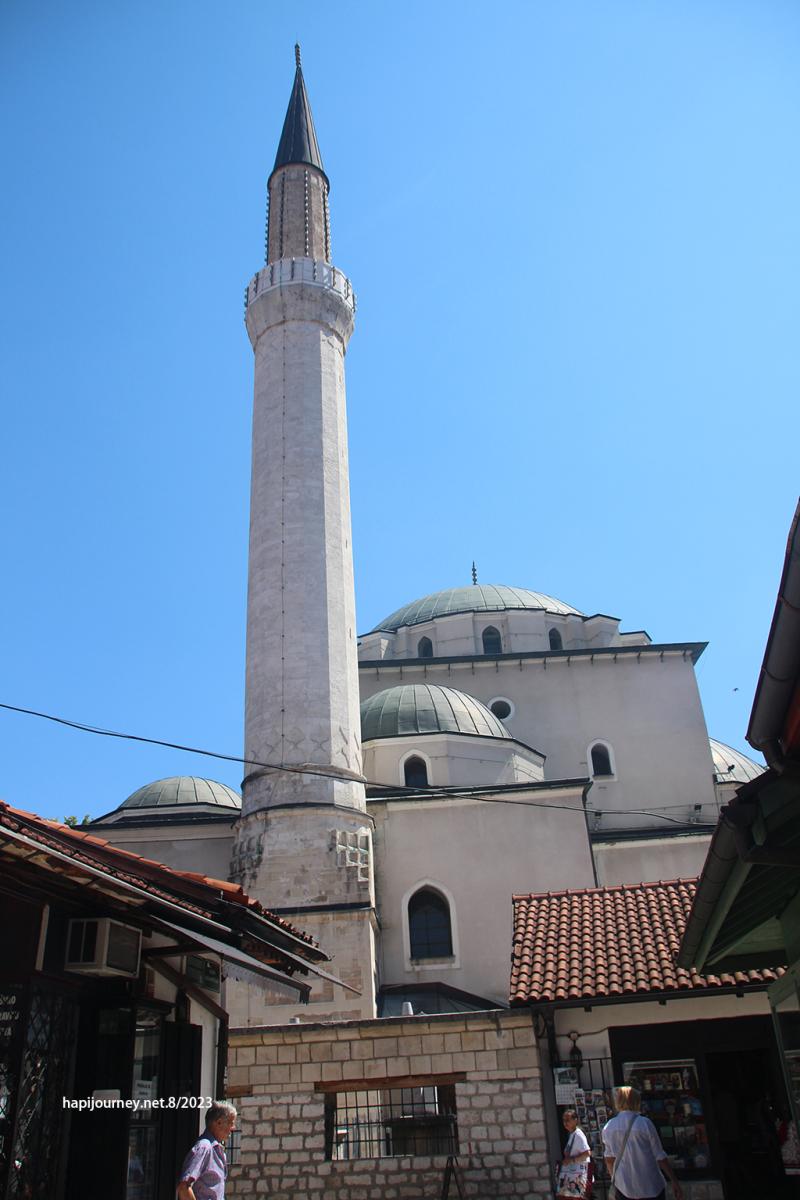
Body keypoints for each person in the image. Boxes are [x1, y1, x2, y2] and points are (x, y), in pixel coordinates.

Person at [602, 1086, 683, 1200]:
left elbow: (609, 1159)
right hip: (650, 1185)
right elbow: (659, 1155)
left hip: (624, 1187)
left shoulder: (608, 1127)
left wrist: (615, 1179)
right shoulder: (644, 1123)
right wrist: (674, 1180)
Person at [177, 1101, 237, 1200]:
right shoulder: (204, 1147)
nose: (233, 1128)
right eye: (231, 1123)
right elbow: (183, 1188)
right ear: (219, 1122)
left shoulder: (217, 1149)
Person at [556, 1108, 592, 1198]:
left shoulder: (578, 1135)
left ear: (575, 1120)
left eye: (568, 1120)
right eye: (564, 1120)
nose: (565, 1123)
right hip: (572, 1175)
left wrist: (572, 1160)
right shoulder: (572, 1134)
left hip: (578, 1174)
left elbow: (587, 1153)